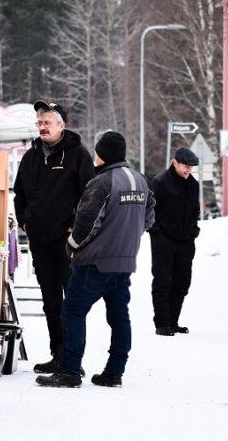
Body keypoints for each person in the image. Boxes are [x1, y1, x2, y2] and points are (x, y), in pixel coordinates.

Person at [36, 131, 155, 389]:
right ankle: (114, 372)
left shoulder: (101, 182)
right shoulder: (140, 181)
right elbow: (148, 219)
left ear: (102, 154)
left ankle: (69, 370)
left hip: (95, 263)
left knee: (73, 311)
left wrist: (71, 245)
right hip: (125, 263)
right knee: (119, 317)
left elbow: (87, 221)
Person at [14, 101, 96, 374]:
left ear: (62, 125)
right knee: (50, 301)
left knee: (71, 301)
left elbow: (90, 195)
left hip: (68, 242)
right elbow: (20, 193)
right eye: (40, 122)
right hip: (39, 240)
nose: (42, 126)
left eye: (48, 121)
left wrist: (76, 226)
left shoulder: (78, 155)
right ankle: (57, 354)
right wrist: (25, 222)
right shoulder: (31, 156)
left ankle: (73, 360)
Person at [148, 147, 201, 337]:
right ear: (175, 162)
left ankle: (173, 321)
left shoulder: (193, 184)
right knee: (163, 280)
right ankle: (162, 323)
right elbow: (150, 211)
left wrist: (194, 231)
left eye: (191, 167)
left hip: (186, 241)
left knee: (182, 281)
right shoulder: (160, 182)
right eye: (186, 166)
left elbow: (195, 210)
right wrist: (156, 233)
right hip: (163, 240)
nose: (189, 170)